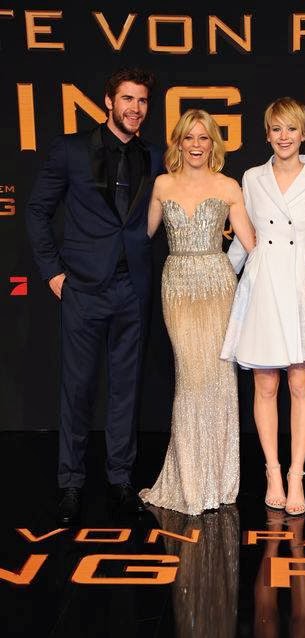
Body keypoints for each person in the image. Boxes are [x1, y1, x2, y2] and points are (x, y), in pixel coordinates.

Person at [26, 67, 163, 523]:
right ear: (108, 101)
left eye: (142, 101)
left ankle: (120, 480)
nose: (135, 108)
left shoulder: (154, 156)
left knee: (126, 390)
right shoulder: (70, 149)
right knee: (78, 389)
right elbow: (37, 211)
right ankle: (70, 483)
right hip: (83, 288)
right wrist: (53, 273)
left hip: (132, 288)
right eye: (127, 99)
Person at [221, 97, 305, 515]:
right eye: (276, 129)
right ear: (267, 134)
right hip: (263, 282)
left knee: (301, 384)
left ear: (304, 133)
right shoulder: (251, 178)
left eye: (291, 129)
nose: (284, 137)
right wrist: (222, 277)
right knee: (265, 385)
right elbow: (244, 237)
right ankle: (272, 470)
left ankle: (296, 475)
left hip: (302, 283)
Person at [140, 109, 255, 515]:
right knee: (191, 378)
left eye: (203, 138)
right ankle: (190, 480)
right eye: (188, 137)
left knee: (218, 377)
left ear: (213, 144)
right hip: (178, 285)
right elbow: (141, 236)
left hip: (218, 285)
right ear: (178, 142)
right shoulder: (162, 184)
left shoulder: (228, 185)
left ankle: (219, 480)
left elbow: (251, 244)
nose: (195, 145)